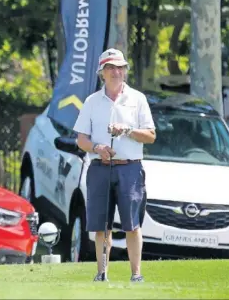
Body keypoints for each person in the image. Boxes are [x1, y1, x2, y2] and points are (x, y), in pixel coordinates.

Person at [73, 48, 156, 282]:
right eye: (111, 67)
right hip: (100, 168)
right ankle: (102, 273)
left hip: (130, 168)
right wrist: (97, 148)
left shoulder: (138, 99)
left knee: (132, 224)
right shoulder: (91, 102)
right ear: (102, 72)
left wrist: (127, 130)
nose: (116, 72)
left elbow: (150, 135)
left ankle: (136, 275)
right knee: (101, 226)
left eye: (120, 67)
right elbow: (81, 139)